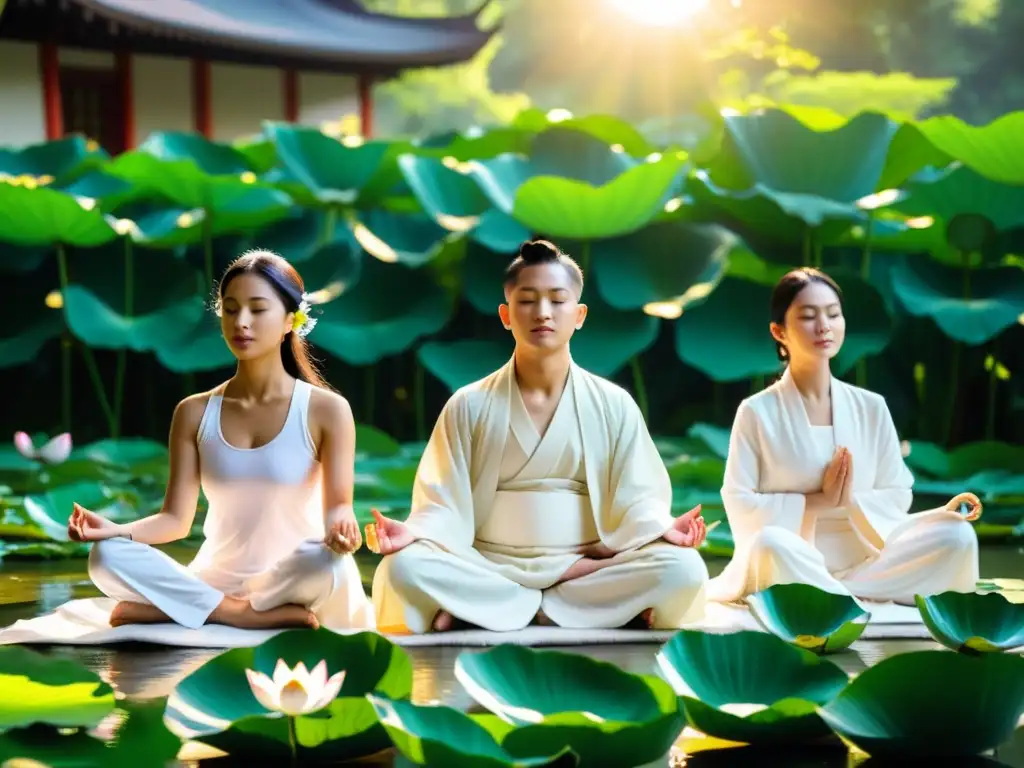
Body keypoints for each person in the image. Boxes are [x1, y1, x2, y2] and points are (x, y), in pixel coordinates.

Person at [368, 240, 710, 634]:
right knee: (404, 567)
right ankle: (583, 612)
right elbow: (442, 505)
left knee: (682, 568)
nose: (543, 313)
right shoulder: (469, 404)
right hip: (487, 566)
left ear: (579, 314)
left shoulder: (613, 404)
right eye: (527, 300)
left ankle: (491, 612)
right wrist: (413, 531)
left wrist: (660, 526)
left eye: (557, 300)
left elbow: (637, 499)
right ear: (505, 315)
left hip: (584, 568)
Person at [66, 250, 374, 631]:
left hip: (292, 577)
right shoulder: (194, 412)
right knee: (106, 557)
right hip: (214, 579)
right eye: (230, 309)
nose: (241, 322)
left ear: (290, 321)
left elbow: (338, 507)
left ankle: (179, 610)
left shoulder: (327, 409)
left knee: (325, 560)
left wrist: (343, 527)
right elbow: (175, 520)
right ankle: (236, 613)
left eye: (257, 310)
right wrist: (113, 531)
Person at [707, 267, 980, 606]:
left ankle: (840, 595)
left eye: (833, 314)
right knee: (769, 546)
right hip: (794, 558)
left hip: (869, 562)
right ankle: (832, 592)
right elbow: (738, 500)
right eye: (808, 316)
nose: (824, 326)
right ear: (779, 332)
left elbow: (897, 492)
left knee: (958, 536)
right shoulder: (756, 412)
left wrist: (849, 501)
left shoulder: (871, 407)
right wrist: (816, 502)